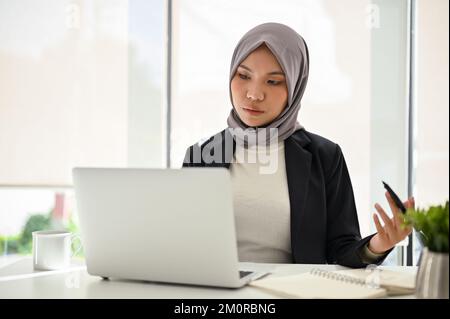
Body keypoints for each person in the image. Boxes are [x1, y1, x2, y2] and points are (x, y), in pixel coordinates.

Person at [182, 22, 414, 268]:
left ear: (295, 87)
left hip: (293, 292)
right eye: (244, 76)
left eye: (273, 82)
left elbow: (341, 248)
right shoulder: (201, 154)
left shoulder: (325, 156)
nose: (254, 94)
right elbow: (184, 243)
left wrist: (377, 245)